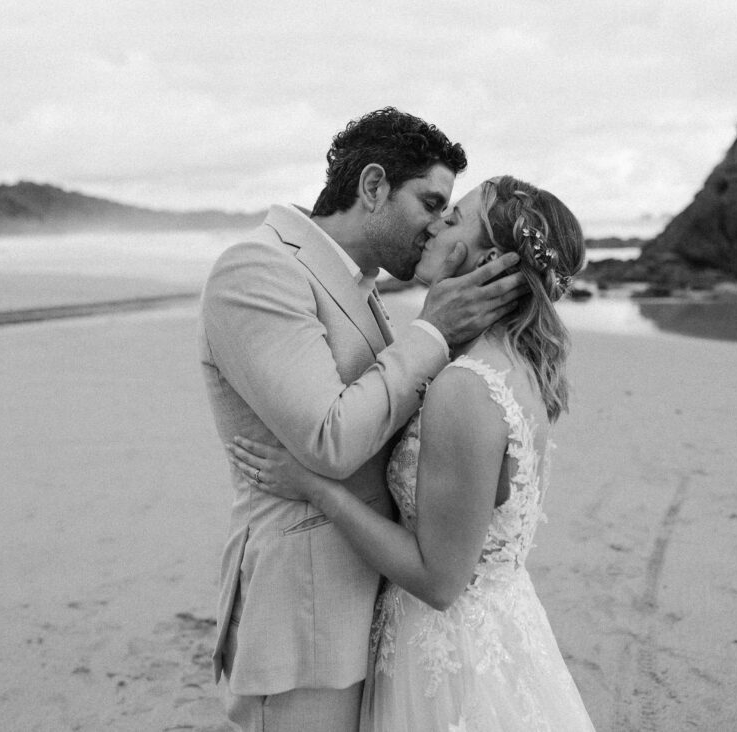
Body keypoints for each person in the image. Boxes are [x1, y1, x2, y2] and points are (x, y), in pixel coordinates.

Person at [228, 175, 597, 730]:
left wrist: (315, 489)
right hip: (492, 627)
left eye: (455, 217)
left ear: (488, 260)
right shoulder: (512, 366)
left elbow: (439, 580)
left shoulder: (467, 387)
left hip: (448, 659)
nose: (437, 222)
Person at [198, 109, 526, 731]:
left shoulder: (358, 285)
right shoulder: (258, 269)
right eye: (431, 203)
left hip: (376, 608)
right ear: (373, 186)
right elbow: (332, 439)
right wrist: (432, 332)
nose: (438, 226)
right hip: (304, 621)